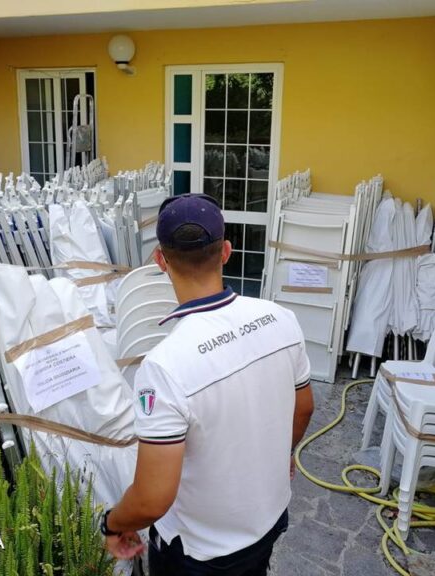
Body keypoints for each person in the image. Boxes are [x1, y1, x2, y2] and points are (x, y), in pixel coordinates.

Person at [103, 193, 314, 575]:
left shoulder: (165, 367)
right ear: (227, 251)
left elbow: (152, 500)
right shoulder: (281, 319)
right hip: (267, 521)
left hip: (199, 554)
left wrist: (112, 523)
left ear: (161, 261)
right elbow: (304, 409)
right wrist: (281, 455)